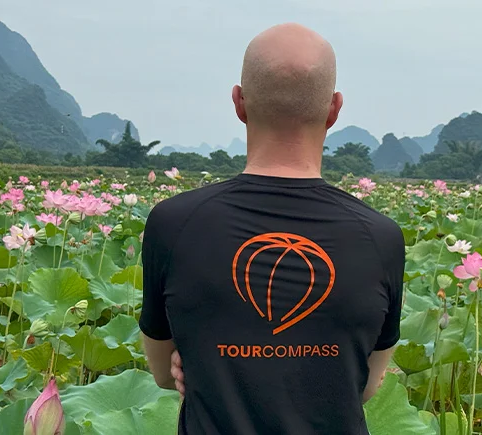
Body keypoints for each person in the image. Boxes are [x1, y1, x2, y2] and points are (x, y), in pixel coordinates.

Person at [139, 23, 404, 435]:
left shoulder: (172, 223)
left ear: (238, 103)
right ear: (334, 110)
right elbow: (365, 386)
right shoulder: (381, 237)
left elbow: (161, 372)